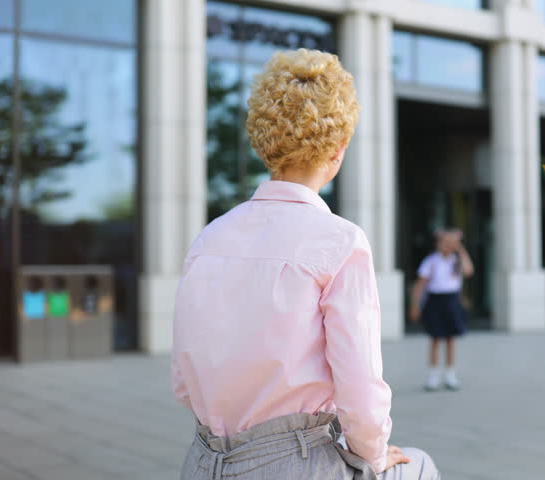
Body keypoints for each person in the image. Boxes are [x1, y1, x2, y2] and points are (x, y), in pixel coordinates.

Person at [171, 49, 440, 480]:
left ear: (265, 141)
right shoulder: (340, 242)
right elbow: (361, 393)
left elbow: (183, 382)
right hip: (296, 463)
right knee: (419, 466)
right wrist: (371, 455)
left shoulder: (210, 238)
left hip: (204, 461)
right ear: (338, 148)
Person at [408, 228, 474, 391]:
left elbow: (468, 271)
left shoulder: (456, 261)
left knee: (451, 339)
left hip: (452, 300)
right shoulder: (431, 261)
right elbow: (421, 284)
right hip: (435, 301)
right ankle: (433, 375)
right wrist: (415, 304)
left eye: (451, 244)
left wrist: (460, 250)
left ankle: (450, 374)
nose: (446, 246)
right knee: (435, 338)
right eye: (444, 243)